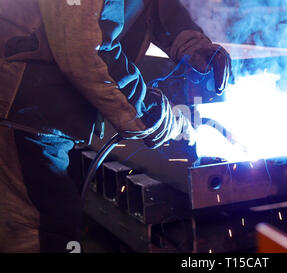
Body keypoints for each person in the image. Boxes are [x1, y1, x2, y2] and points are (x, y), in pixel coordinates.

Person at [0, 0, 231, 252]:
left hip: (43, 114)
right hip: (23, 111)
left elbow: (156, 6)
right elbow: (86, 48)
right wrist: (155, 117)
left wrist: (192, 44)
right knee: (41, 232)